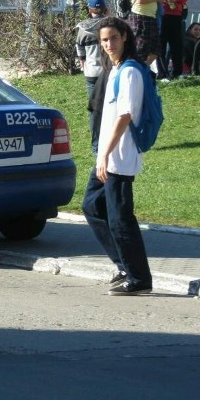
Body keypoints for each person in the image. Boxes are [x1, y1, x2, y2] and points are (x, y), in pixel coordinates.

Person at [82, 16, 153, 296]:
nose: (108, 44)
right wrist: (102, 155)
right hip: (107, 156)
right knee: (91, 205)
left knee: (121, 219)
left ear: (125, 37)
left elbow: (125, 116)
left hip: (120, 156)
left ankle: (138, 279)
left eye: (113, 38)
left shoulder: (131, 72)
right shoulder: (115, 69)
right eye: (104, 40)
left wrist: (105, 154)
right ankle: (124, 265)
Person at [75, 0, 108, 152]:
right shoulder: (110, 24)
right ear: (104, 9)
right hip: (108, 72)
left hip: (91, 73)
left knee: (95, 109)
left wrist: (82, 60)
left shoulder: (82, 28)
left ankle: (96, 146)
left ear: (89, 9)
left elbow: (79, 48)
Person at [151, 0, 189, 79]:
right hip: (161, 14)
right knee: (161, 44)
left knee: (176, 44)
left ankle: (177, 72)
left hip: (175, 14)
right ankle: (162, 73)